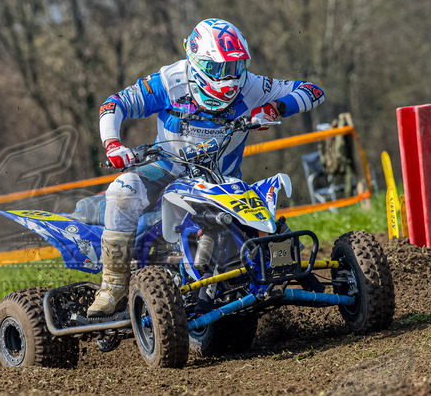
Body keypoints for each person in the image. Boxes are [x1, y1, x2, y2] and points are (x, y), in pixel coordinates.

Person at [87, 18, 326, 316]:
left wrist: (277, 107)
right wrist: (112, 144)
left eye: (236, 67)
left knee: (264, 215)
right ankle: (112, 286)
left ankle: (288, 266)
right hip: (168, 170)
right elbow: (114, 104)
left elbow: (312, 91)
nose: (230, 78)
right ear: (198, 63)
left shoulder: (252, 85)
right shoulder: (169, 82)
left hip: (221, 179)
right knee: (122, 190)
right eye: (221, 69)